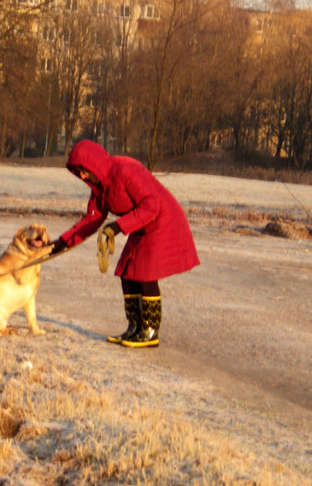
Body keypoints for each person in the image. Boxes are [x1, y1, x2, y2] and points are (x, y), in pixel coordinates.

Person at [50, 139, 200, 347]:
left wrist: (118, 226)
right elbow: (92, 219)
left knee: (144, 273)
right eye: (78, 172)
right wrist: (62, 242)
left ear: (94, 164)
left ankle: (149, 332)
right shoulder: (99, 187)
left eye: (83, 170)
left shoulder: (126, 170)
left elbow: (151, 205)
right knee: (127, 272)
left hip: (163, 220)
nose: (82, 176)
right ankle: (134, 328)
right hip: (140, 225)